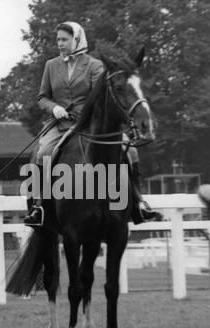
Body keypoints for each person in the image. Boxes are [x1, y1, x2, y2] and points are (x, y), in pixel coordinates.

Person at [24, 21, 161, 226]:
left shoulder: (95, 65)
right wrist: (55, 108)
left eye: (64, 39)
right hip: (59, 123)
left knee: (131, 152)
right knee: (43, 153)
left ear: (77, 39)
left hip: (89, 124)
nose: (60, 43)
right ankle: (38, 207)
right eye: (58, 40)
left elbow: (100, 96)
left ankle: (138, 203)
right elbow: (42, 97)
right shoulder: (51, 66)